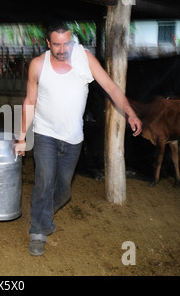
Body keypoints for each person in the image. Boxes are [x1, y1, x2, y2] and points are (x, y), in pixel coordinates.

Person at [15, 20, 142, 256]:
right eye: (57, 45)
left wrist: (130, 112)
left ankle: (42, 214)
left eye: (67, 43)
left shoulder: (84, 59)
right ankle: (38, 231)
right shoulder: (37, 65)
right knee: (44, 182)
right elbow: (29, 102)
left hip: (73, 138)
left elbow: (111, 87)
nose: (63, 49)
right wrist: (22, 136)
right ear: (48, 43)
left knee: (63, 189)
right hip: (45, 134)